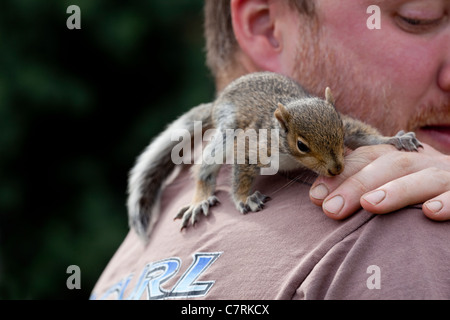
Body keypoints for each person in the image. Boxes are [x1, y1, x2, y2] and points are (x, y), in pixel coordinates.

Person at [91, 0, 450, 300]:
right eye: (418, 18)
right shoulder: (401, 240)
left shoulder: (124, 263)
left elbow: (354, 132)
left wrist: (387, 141)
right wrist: (241, 195)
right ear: (266, 28)